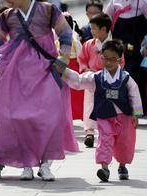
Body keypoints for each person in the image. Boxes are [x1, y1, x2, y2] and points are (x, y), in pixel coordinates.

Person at [0, 0, 78, 181]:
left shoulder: (48, 9)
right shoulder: (7, 16)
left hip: (46, 69)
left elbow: (65, 34)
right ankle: (26, 163)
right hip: (16, 73)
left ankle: (46, 163)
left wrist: (63, 59)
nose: (6, 0)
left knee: (49, 116)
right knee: (18, 118)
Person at [61, 40, 143, 182]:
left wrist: (136, 114)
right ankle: (104, 168)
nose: (109, 62)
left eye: (113, 59)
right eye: (106, 58)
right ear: (101, 58)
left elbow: (134, 94)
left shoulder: (126, 78)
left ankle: (122, 166)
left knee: (125, 142)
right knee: (104, 140)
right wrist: (63, 71)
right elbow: (79, 81)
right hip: (105, 116)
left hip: (124, 117)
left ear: (119, 59)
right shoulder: (96, 77)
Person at [78, 13, 124, 147]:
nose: (91, 31)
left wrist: (113, 73)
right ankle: (90, 133)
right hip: (92, 79)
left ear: (104, 29)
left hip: (109, 80)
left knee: (110, 104)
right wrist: (86, 69)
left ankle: (109, 131)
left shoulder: (114, 45)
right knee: (89, 104)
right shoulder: (88, 44)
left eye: (93, 28)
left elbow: (121, 62)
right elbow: (82, 59)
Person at [106, 0, 147, 115]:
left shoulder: (141, 0)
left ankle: (139, 108)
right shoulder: (115, 0)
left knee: (137, 76)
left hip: (138, 43)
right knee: (120, 74)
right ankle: (122, 107)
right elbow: (107, 19)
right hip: (120, 44)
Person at [61, 12, 84, 120]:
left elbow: (81, 58)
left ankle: (76, 114)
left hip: (73, 69)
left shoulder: (75, 42)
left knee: (75, 95)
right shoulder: (57, 42)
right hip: (62, 69)